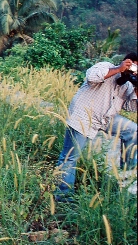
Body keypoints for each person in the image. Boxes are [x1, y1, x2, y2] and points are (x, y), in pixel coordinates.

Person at [55, 52, 138, 201]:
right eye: (133, 66)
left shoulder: (127, 85)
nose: (133, 70)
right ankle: (63, 197)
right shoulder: (106, 66)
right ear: (127, 61)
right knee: (70, 157)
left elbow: (132, 107)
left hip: (106, 118)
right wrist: (119, 68)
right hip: (84, 116)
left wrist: (137, 85)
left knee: (133, 131)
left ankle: (127, 177)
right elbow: (91, 77)